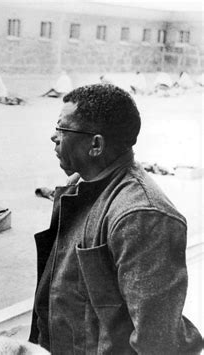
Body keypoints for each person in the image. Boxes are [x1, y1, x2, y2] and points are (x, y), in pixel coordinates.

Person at [29, 84, 202, 354]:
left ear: (96, 144)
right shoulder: (80, 185)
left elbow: (156, 344)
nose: (54, 136)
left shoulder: (142, 216)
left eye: (63, 129)